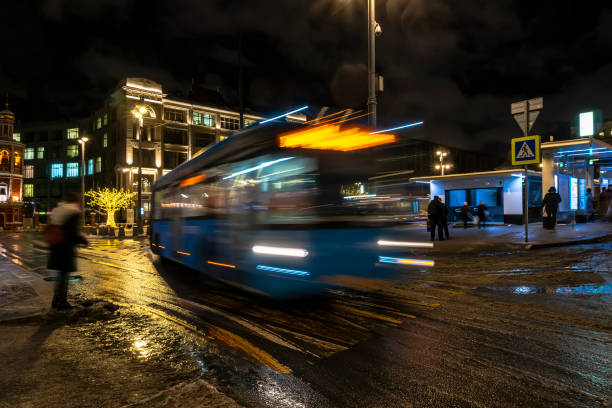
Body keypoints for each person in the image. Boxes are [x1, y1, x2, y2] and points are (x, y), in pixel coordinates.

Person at [47, 193, 88, 310]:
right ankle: (61, 302)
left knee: (60, 274)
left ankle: (56, 300)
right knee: (64, 274)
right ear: (76, 202)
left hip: (55, 247)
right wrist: (82, 240)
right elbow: (72, 232)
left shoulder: (57, 210)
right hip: (65, 248)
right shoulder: (73, 212)